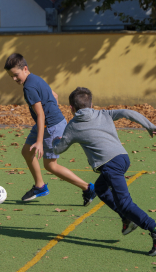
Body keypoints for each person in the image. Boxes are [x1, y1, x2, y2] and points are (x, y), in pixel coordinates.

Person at [53, 87, 156, 256]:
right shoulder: (103, 114)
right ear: (91, 103)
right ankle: (126, 218)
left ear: (71, 107)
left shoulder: (73, 126)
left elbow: (58, 150)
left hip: (110, 165)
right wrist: (150, 126)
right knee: (100, 188)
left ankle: (152, 227)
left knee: (125, 203)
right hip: (123, 158)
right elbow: (128, 112)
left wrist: (54, 142)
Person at [4, 53, 96, 206]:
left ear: (24, 68)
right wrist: (53, 111)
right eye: (11, 76)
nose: (14, 79)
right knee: (26, 151)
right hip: (48, 123)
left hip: (50, 126)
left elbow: (40, 114)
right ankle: (39, 186)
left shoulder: (29, 87)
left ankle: (87, 188)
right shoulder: (35, 78)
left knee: (50, 165)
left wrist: (40, 141)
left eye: (15, 75)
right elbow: (54, 95)